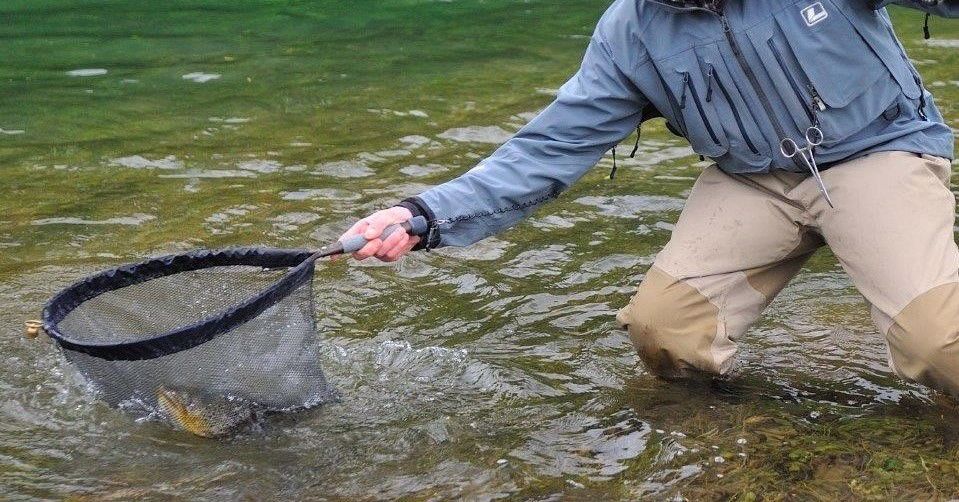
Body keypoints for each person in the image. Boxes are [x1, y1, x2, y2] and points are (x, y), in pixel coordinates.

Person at [338, 0, 959, 395]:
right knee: (663, 332)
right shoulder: (627, 33)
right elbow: (547, 150)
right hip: (753, 179)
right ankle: (717, 435)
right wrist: (424, 215)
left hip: (877, 151)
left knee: (938, 344)